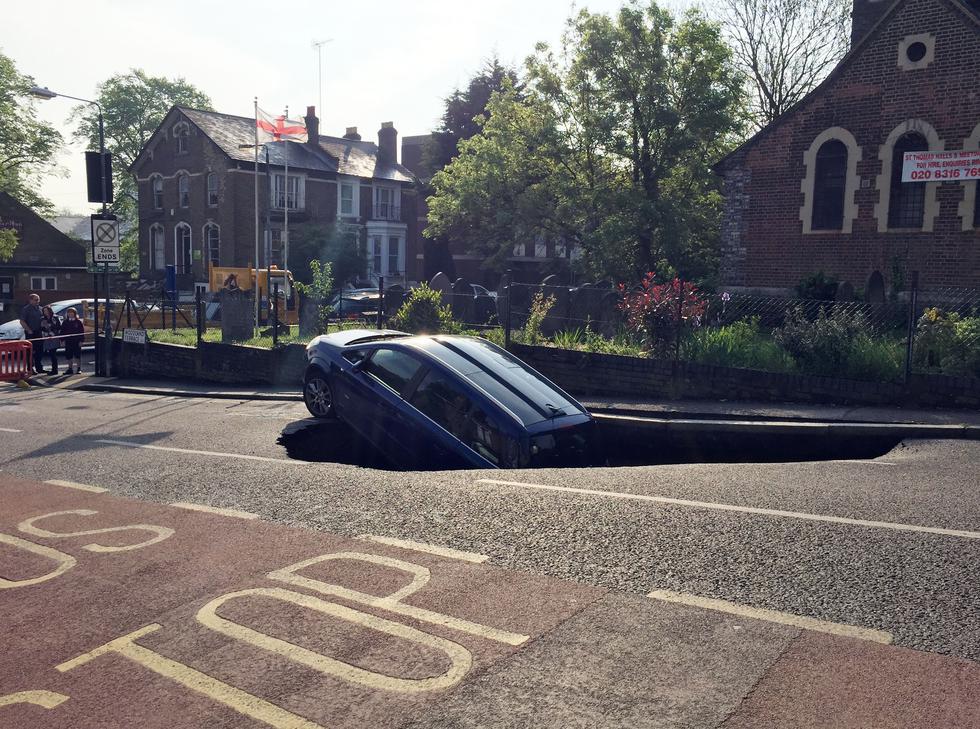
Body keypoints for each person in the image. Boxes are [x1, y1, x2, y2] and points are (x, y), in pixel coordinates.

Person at [18, 293, 44, 374]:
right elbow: (22, 321)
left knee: (40, 350)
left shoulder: (40, 309)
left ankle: (39, 367)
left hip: (39, 332)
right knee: (30, 352)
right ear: (30, 300)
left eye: (38, 300)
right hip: (31, 333)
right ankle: (30, 368)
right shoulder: (26, 309)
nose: (38, 301)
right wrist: (28, 330)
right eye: (36, 300)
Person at [60, 307, 85, 375]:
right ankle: (70, 369)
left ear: (75, 313)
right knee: (69, 356)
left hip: (76, 341)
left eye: (72, 312)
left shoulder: (78, 322)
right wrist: (62, 340)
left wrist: (81, 341)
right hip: (68, 341)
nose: (70, 314)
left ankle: (78, 369)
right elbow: (62, 332)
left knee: (77, 355)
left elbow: (82, 332)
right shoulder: (65, 322)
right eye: (69, 313)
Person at [39, 305, 62, 375]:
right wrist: (45, 329)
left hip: (54, 337)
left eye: (47, 311)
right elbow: (41, 328)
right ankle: (54, 369)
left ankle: (55, 370)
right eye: (44, 311)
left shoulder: (55, 317)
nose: (46, 312)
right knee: (50, 353)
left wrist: (52, 330)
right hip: (46, 337)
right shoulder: (42, 319)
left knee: (53, 353)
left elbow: (59, 327)